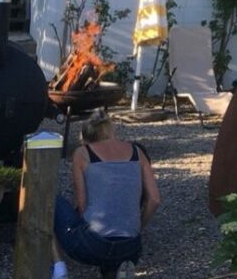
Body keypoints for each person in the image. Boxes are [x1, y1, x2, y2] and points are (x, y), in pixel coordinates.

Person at [52, 112, 161, 279]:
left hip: (94, 244)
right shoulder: (137, 152)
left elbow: (82, 203)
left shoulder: (82, 153)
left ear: (86, 138)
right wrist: (138, 227)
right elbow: (154, 199)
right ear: (110, 131)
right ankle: (115, 269)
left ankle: (60, 269)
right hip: (131, 246)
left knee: (51, 199)